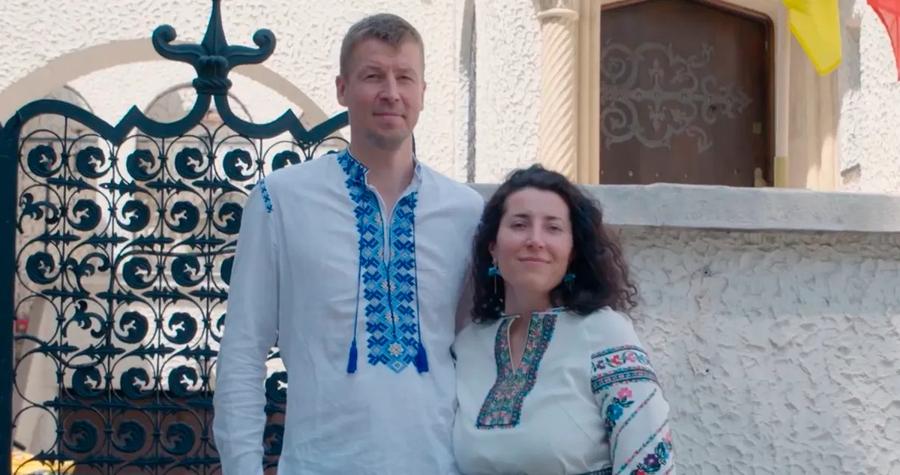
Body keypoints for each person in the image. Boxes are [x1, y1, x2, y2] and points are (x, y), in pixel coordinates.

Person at [213, 13, 483, 475]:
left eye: (405, 78)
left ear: (423, 93)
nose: (391, 92)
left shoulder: (466, 212)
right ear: (342, 88)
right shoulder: (281, 200)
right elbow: (243, 350)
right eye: (372, 76)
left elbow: (482, 347)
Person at [453, 165, 675, 475]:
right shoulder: (467, 346)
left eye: (553, 228)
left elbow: (648, 462)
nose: (535, 240)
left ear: (572, 252)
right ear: (493, 247)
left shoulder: (604, 333)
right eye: (519, 224)